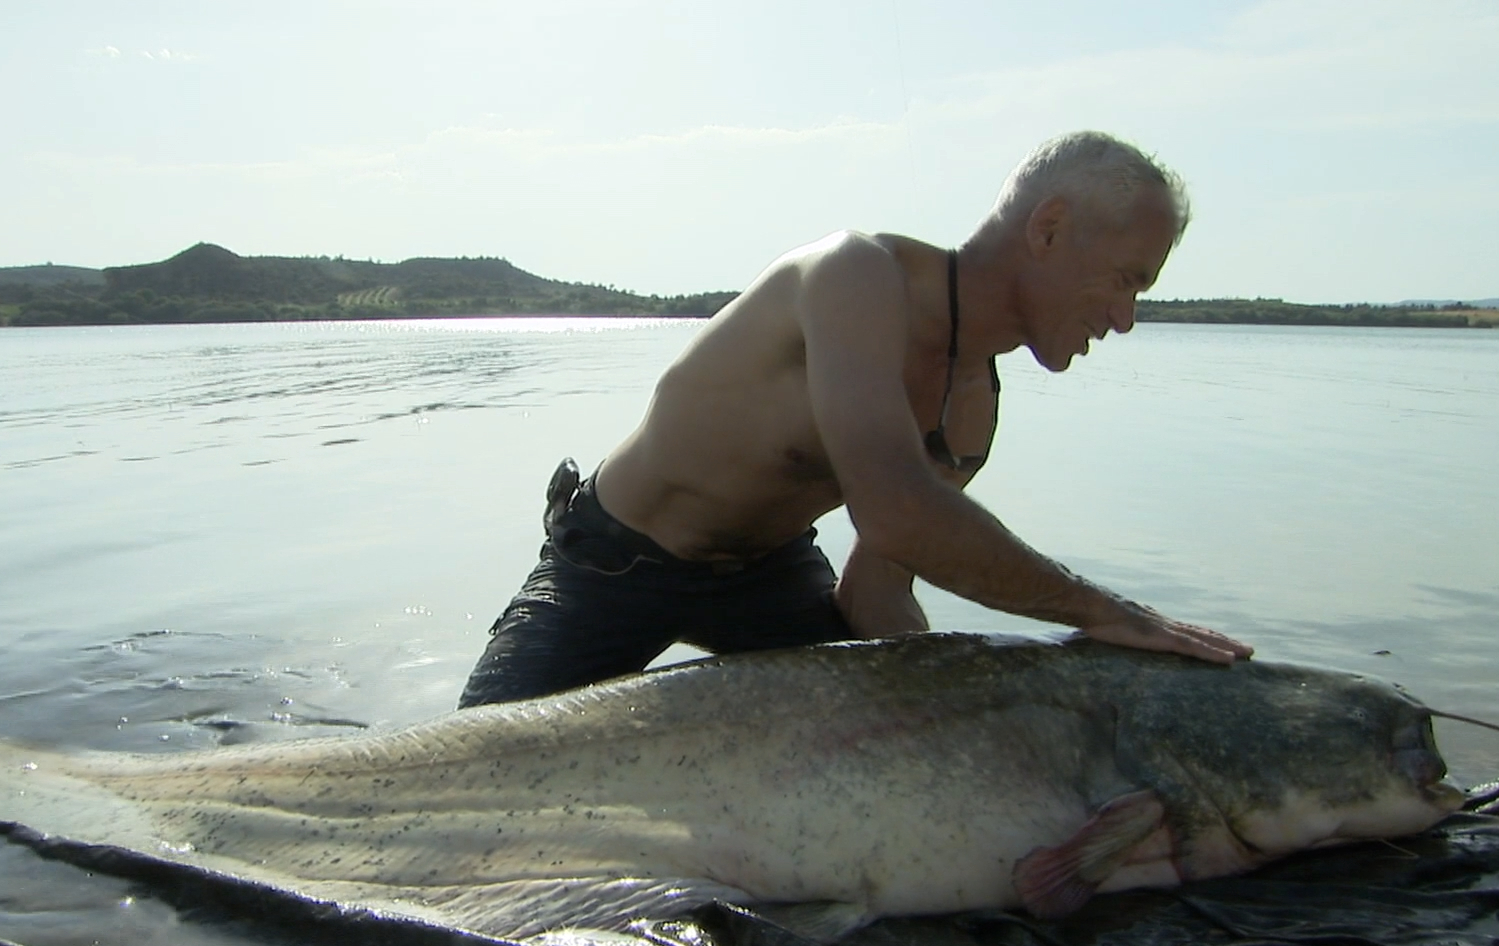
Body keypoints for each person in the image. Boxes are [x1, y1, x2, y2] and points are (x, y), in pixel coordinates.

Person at [458, 130, 1252, 709]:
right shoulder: (854, 276)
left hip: (767, 581)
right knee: (464, 770)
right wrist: (1103, 611)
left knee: (903, 739)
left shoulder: (969, 413)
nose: (1125, 318)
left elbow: (875, 594)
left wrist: (957, 709)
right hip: (613, 563)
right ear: (1047, 229)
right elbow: (897, 510)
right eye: (1126, 280)